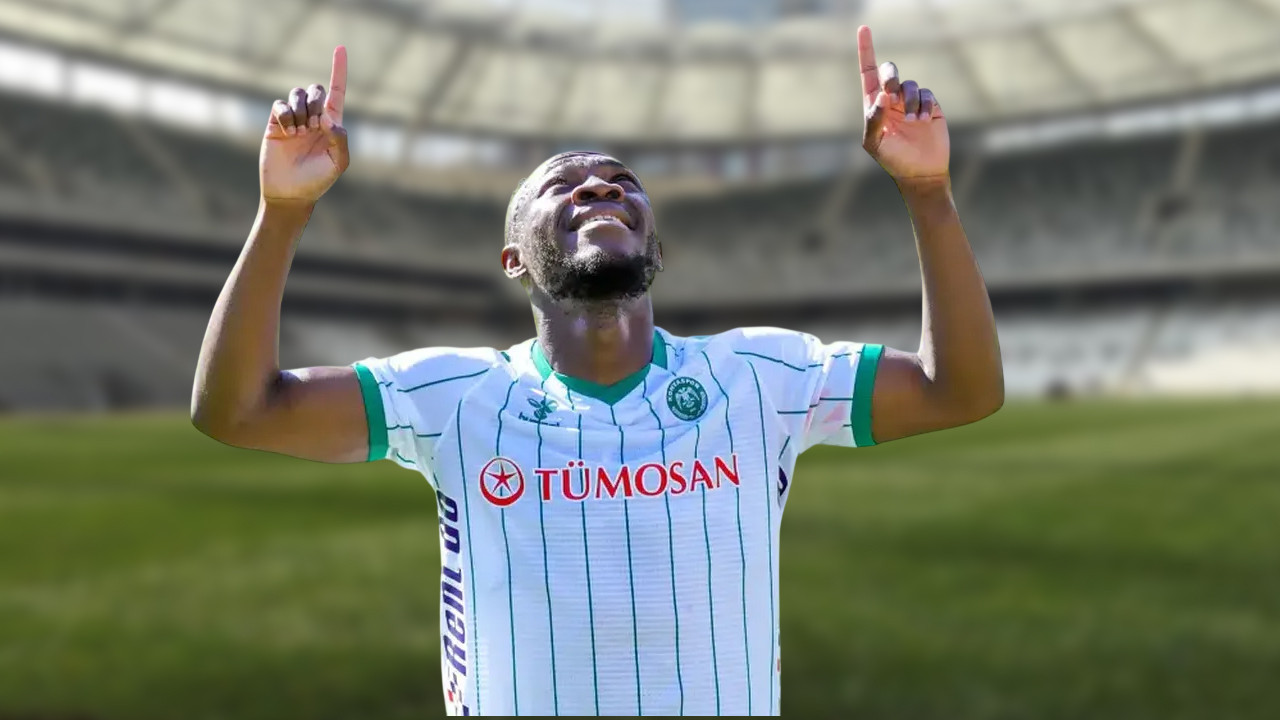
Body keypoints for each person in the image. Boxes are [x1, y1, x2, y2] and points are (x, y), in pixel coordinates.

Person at [191, 26, 1003, 717]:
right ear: (513, 259)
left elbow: (959, 391)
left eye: (621, 184)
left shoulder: (761, 376)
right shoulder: (451, 396)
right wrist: (282, 213)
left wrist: (929, 193)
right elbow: (238, 411)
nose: (598, 188)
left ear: (657, 247)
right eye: (564, 185)